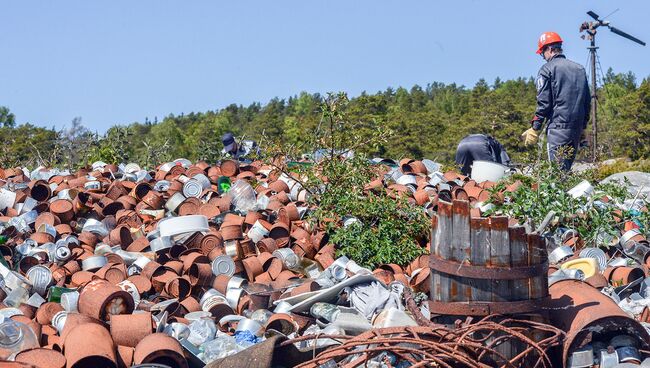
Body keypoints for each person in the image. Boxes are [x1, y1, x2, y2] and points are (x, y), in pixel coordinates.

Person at [522, 32, 591, 171]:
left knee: (557, 175)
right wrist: (583, 127)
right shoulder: (579, 69)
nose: (543, 57)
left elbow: (544, 103)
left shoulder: (547, 69)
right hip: (576, 130)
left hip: (558, 130)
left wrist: (535, 128)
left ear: (550, 49)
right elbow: (586, 102)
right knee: (565, 172)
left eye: (543, 53)